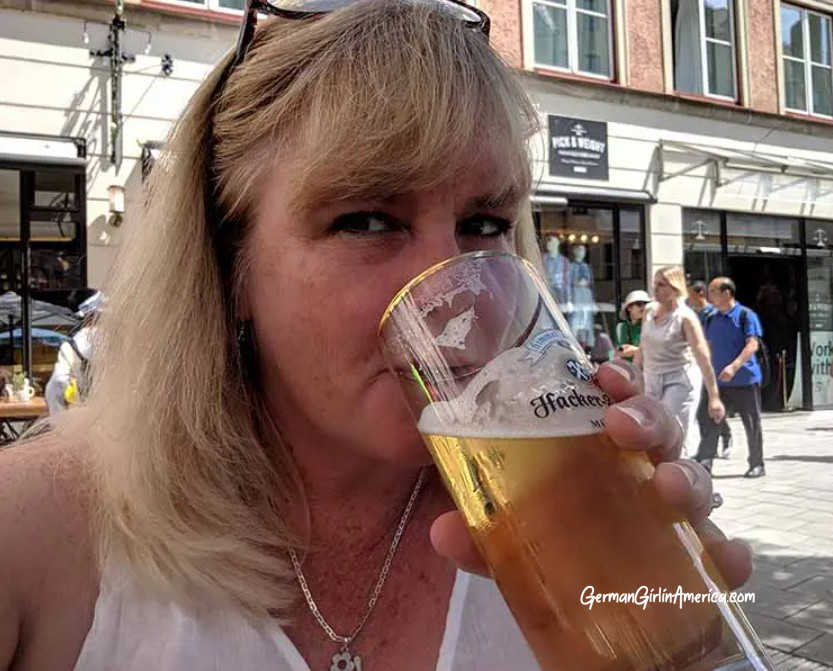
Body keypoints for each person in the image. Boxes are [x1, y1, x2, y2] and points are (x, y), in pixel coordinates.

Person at [0, 3, 752, 670]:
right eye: (365, 220)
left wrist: (661, 618)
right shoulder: (35, 536)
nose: (455, 301)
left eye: (484, 224)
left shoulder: (552, 516)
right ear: (231, 267)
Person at [637, 266, 725, 451]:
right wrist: (635, 374)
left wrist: (714, 397)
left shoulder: (685, 317)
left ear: (675, 287)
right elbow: (643, 346)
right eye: (655, 284)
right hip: (652, 379)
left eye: (661, 285)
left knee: (672, 430)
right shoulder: (649, 311)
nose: (655, 289)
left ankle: (683, 463)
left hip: (679, 380)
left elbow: (703, 356)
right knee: (652, 432)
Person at [697, 277, 767, 478]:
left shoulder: (745, 315)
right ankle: (705, 461)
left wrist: (734, 367)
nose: (709, 295)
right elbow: (707, 346)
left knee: (751, 423)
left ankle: (757, 464)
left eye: (713, 291)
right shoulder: (711, 318)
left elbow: (752, 344)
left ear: (726, 293)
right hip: (717, 381)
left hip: (744, 379)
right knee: (710, 419)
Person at [688, 280, 732, 458]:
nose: (688, 299)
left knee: (711, 406)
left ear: (700, 294)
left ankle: (726, 436)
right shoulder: (691, 314)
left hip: (711, 365)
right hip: (695, 364)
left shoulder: (713, 314)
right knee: (700, 408)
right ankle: (707, 447)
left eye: (690, 295)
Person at [44, 292, 102, 414]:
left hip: (88, 414)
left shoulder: (71, 345)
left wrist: (59, 418)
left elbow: (58, 382)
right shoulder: (122, 341)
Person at [615, 289, 650, 362]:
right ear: (629, 308)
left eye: (646, 304)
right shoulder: (621, 327)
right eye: (639, 304)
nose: (643, 307)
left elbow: (657, 351)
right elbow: (615, 351)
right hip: (627, 367)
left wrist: (635, 350)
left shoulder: (651, 326)